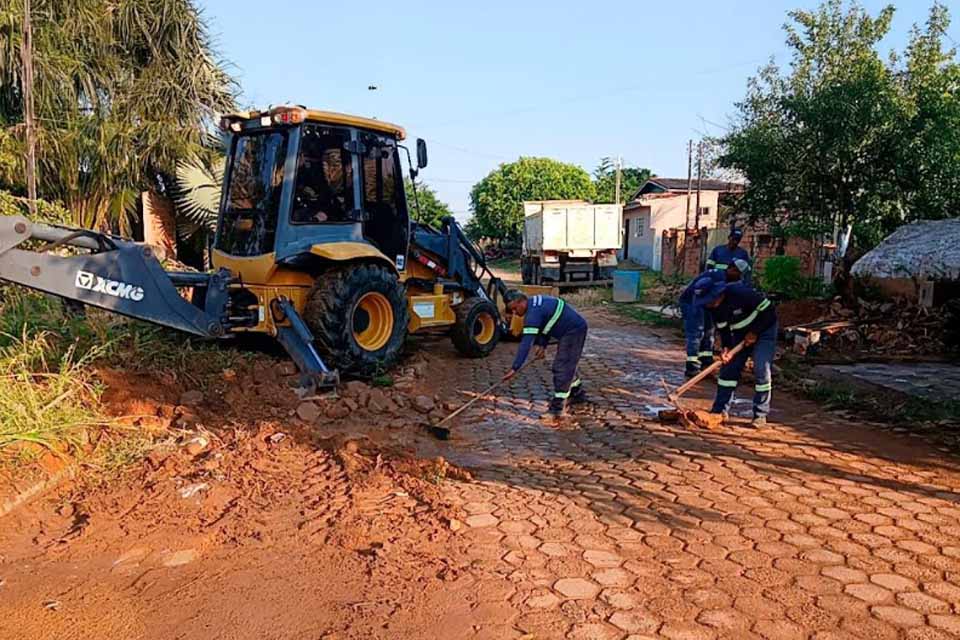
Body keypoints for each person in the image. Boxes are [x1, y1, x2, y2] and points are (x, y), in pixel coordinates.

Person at [693, 276, 778, 428]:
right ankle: (719, 411)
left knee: (761, 369)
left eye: (709, 300)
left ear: (717, 294)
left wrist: (755, 332)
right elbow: (724, 330)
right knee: (728, 370)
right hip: (740, 335)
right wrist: (726, 348)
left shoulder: (740, 293)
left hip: (764, 330)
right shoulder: (712, 308)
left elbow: (770, 312)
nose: (707, 304)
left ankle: (760, 414)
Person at [503, 291, 588, 420]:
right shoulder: (534, 305)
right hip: (570, 329)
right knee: (567, 364)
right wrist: (542, 344)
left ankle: (557, 408)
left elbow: (526, 343)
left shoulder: (532, 314)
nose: (514, 313)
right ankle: (577, 393)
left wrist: (515, 368)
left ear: (522, 302)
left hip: (573, 331)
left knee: (562, 367)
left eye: (515, 308)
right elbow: (546, 324)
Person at [677, 258, 753, 378]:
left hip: (706, 304)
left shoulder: (727, 279)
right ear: (732, 269)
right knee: (697, 332)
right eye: (739, 274)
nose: (739, 278)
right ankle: (692, 367)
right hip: (692, 303)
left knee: (709, 331)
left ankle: (706, 361)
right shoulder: (718, 278)